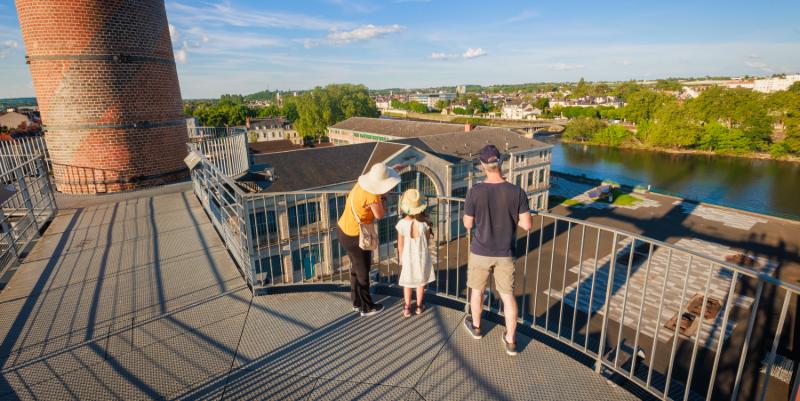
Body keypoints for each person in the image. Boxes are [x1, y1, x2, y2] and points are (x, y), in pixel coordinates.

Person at [462, 144, 532, 356]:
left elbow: (467, 224)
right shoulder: (517, 192)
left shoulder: (475, 192)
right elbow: (527, 225)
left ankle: (476, 328)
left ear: (482, 165)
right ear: (500, 163)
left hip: (480, 251)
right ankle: (511, 340)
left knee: (477, 291)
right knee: (508, 296)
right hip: (505, 252)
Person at [337, 162, 401, 317]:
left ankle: (356, 302)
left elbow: (378, 175)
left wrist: (392, 170)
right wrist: (383, 196)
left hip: (344, 230)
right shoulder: (373, 195)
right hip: (356, 236)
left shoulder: (361, 184)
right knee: (363, 271)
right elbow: (380, 215)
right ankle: (366, 307)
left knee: (356, 268)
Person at [396, 189, 435, 318]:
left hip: (407, 256)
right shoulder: (424, 223)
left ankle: (407, 308)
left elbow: (400, 244)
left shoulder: (401, 224)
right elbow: (427, 240)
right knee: (420, 282)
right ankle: (419, 306)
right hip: (421, 256)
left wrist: (401, 258)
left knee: (407, 283)